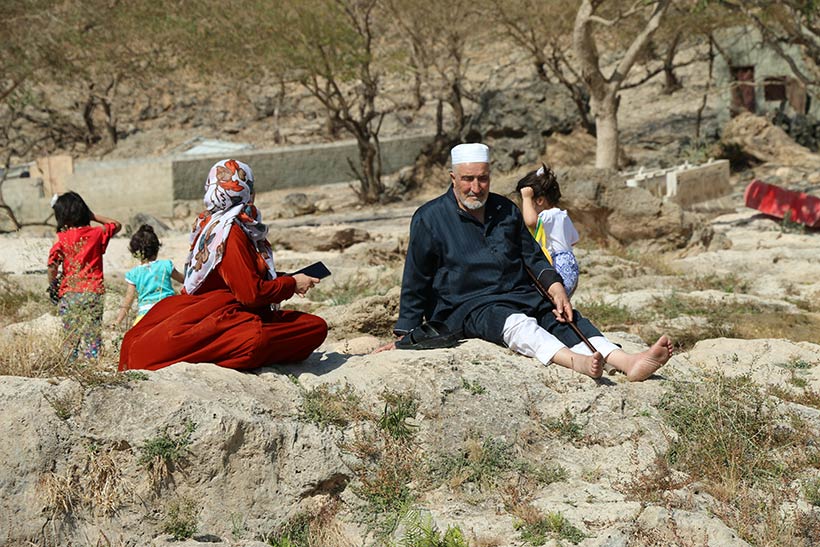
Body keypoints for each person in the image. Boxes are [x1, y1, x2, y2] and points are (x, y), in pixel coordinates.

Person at [382, 143, 672, 381]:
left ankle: (627, 361)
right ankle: (577, 362)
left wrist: (556, 288)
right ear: (453, 178)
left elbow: (532, 255)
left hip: (519, 293)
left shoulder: (505, 209)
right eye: (468, 179)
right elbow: (415, 278)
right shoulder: (429, 217)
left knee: (561, 316)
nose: (476, 187)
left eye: (482, 178)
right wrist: (406, 333)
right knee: (514, 322)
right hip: (467, 305)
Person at [118, 159, 327, 371]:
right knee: (301, 330)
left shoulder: (210, 223)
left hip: (211, 310)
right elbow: (250, 295)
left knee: (304, 326)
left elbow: (240, 277)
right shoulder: (231, 232)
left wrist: (287, 279)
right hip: (222, 315)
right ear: (245, 191)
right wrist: (290, 284)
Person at [47, 191, 122, 360]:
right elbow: (116, 224)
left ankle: (70, 367)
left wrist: (53, 286)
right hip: (93, 292)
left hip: (70, 292)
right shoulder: (96, 233)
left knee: (70, 337)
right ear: (83, 211)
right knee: (92, 336)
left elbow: (52, 266)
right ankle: (92, 365)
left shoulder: (61, 238)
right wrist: (92, 215)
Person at [517, 163, 580, 296]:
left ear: (539, 200)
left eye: (529, 204)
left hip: (557, 265)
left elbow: (530, 221)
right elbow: (574, 240)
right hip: (570, 264)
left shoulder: (548, 215)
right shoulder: (562, 215)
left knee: (550, 299)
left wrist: (526, 197)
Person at [113, 224, 184, 328]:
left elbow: (129, 299)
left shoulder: (134, 274)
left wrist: (118, 321)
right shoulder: (165, 265)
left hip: (145, 314)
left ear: (134, 252)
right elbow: (183, 280)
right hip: (169, 309)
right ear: (157, 249)